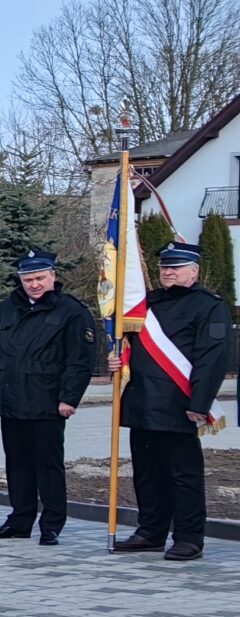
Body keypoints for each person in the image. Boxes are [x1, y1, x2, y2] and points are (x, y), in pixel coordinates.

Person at [112, 240, 232, 561]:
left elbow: (212, 358)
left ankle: (189, 538)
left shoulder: (209, 306)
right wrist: (116, 360)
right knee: (146, 474)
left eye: (176, 267)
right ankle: (151, 532)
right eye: (165, 267)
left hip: (180, 405)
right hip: (142, 404)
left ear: (194, 271)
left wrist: (200, 403)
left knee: (183, 476)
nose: (168, 272)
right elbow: (128, 346)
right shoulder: (146, 304)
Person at [0, 249, 98, 544]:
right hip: (11, 400)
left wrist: (69, 398)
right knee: (17, 464)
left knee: (48, 465)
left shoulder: (71, 311)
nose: (34, 284)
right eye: (28, 279)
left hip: (47, 401)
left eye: (39, 278)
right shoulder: (8, 308)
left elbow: (80, 360)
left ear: (53, 276)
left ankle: (52, 524)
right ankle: (20, 521)